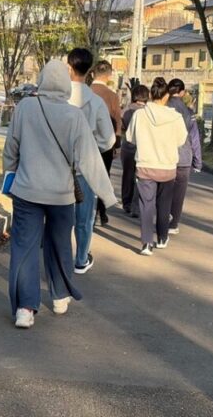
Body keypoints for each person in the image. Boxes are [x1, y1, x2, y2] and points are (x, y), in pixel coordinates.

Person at [4, 60, 118, 329]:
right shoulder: (74, 115)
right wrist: (107, 195)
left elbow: (11, 149)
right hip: (62, 194)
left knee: (25, 248)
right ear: (66, 85)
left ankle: (25, 308)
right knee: (60, 244)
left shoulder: (25, 108)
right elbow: (90, 159)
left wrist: (10, 174)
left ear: (42, 80)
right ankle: (59, 296)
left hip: (27, 191)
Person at [65, 48, 115, 275]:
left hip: (57, 165)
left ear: (69, 67)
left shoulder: (58, 99)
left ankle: (58, 256)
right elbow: (108, 139)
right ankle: (81, 258)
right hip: (84, 166)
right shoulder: (95, 102)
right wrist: (94, 147)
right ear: (89, 71)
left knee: (59, 215)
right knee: (84, 217)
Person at [126, 77, 188, 255]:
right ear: (166, 95)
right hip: (167, 166)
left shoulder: (139, 115)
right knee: (164, 203)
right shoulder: (175, 117)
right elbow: (181, 140)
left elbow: (131, 138)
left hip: (145, 164)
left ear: (151, 95)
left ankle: (146, 243)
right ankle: (162, 237)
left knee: (146, 204)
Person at [166, 79, 203, 236]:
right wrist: (197, 162)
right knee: (178, 194)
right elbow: (194, 138)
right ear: (182, 92)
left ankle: (162, 219)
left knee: (163, 191)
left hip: (165, 156)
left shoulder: (163, 108)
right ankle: (173, 223)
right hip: (184, 157)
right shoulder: (188, 112)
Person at [90, 60, 123, 226]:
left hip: (86, 143)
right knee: (104, 177)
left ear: (92, 74)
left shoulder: (85, 92)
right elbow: (117, 121)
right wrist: (117, 145)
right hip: (106, 144)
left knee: (86, 177)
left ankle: (87, 211)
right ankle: (101, 212)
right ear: (109, 76)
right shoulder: (112, 96)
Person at [120, 84, 150, 217]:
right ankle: (136, 205)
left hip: (128, 147)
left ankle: (126, 203)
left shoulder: (126, 110)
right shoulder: (148, 111)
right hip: (144, 148)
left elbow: (121, 127)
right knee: (141, 177)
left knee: (127, 175)